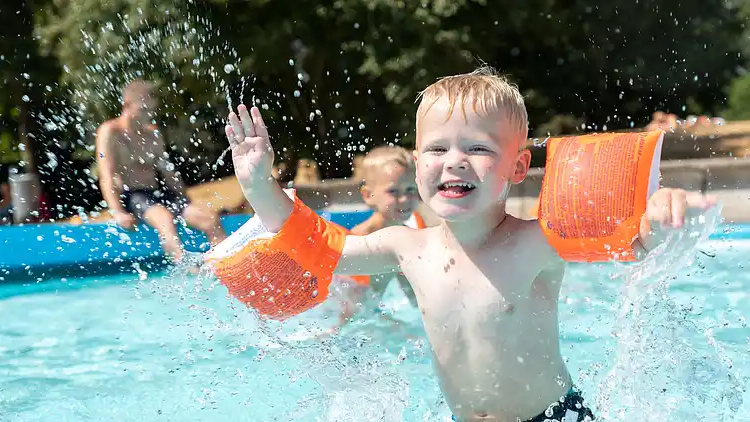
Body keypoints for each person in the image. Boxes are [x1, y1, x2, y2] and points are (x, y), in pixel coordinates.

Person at [224, 66, 717, 421]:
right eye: (437, 148)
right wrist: (258, 187)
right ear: (418, 163)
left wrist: (666, 211)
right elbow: (313, 246)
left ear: (518, 168)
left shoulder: (539, 242)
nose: (454, 161)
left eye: (478, 148)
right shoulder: (405, 248)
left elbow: (636, 241)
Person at [96, 79, 227, 263]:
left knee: (209, 218)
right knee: (165, 220)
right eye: (143, 110)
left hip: (159, 194)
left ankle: (228, 266)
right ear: (127, 105)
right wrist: (117, 212)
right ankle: (185, 270)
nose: (148, 115)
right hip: (133, 196)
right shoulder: (110, 132)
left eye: (151, 110)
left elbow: (168, 173)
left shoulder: (153, 134)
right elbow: (106, 176)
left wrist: (186, 200)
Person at [334, 145, 423, 330]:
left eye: (410, 189)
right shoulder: (359, 240)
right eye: (394, 191)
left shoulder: (407, 241)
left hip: (368, 318)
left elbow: (416, 295)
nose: (405, 199)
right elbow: (342, 300)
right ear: (368, 195)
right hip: (344, 323)